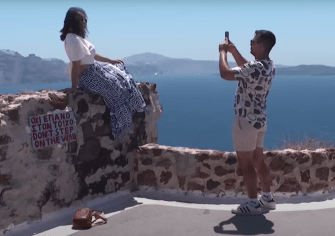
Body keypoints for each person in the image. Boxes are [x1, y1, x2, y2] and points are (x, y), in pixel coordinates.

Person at [60, 7, 146, 140]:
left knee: (121, 76)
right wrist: (73, 87)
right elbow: (76, 65)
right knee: (116, 91)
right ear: (72, 22)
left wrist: (110, 60)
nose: (84, 22)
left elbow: (92, 55)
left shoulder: (77, 38)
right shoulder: (72, 39)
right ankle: (122, 126)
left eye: (84, 19)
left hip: (96, 69)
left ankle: (134, 109)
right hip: (89, 76)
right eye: (80, 19)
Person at [218, 30, 276, 215]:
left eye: (252, 41)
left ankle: (252, 204)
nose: (250, 44)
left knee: (247, 163)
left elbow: (225, 73)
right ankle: (267, 198)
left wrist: (222, 52)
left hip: (245, 121)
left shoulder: (254, 68)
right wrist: (234, 51)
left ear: (261, 46)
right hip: (259, 120)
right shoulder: (268, 66)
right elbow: (247, 69)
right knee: (259, 159)